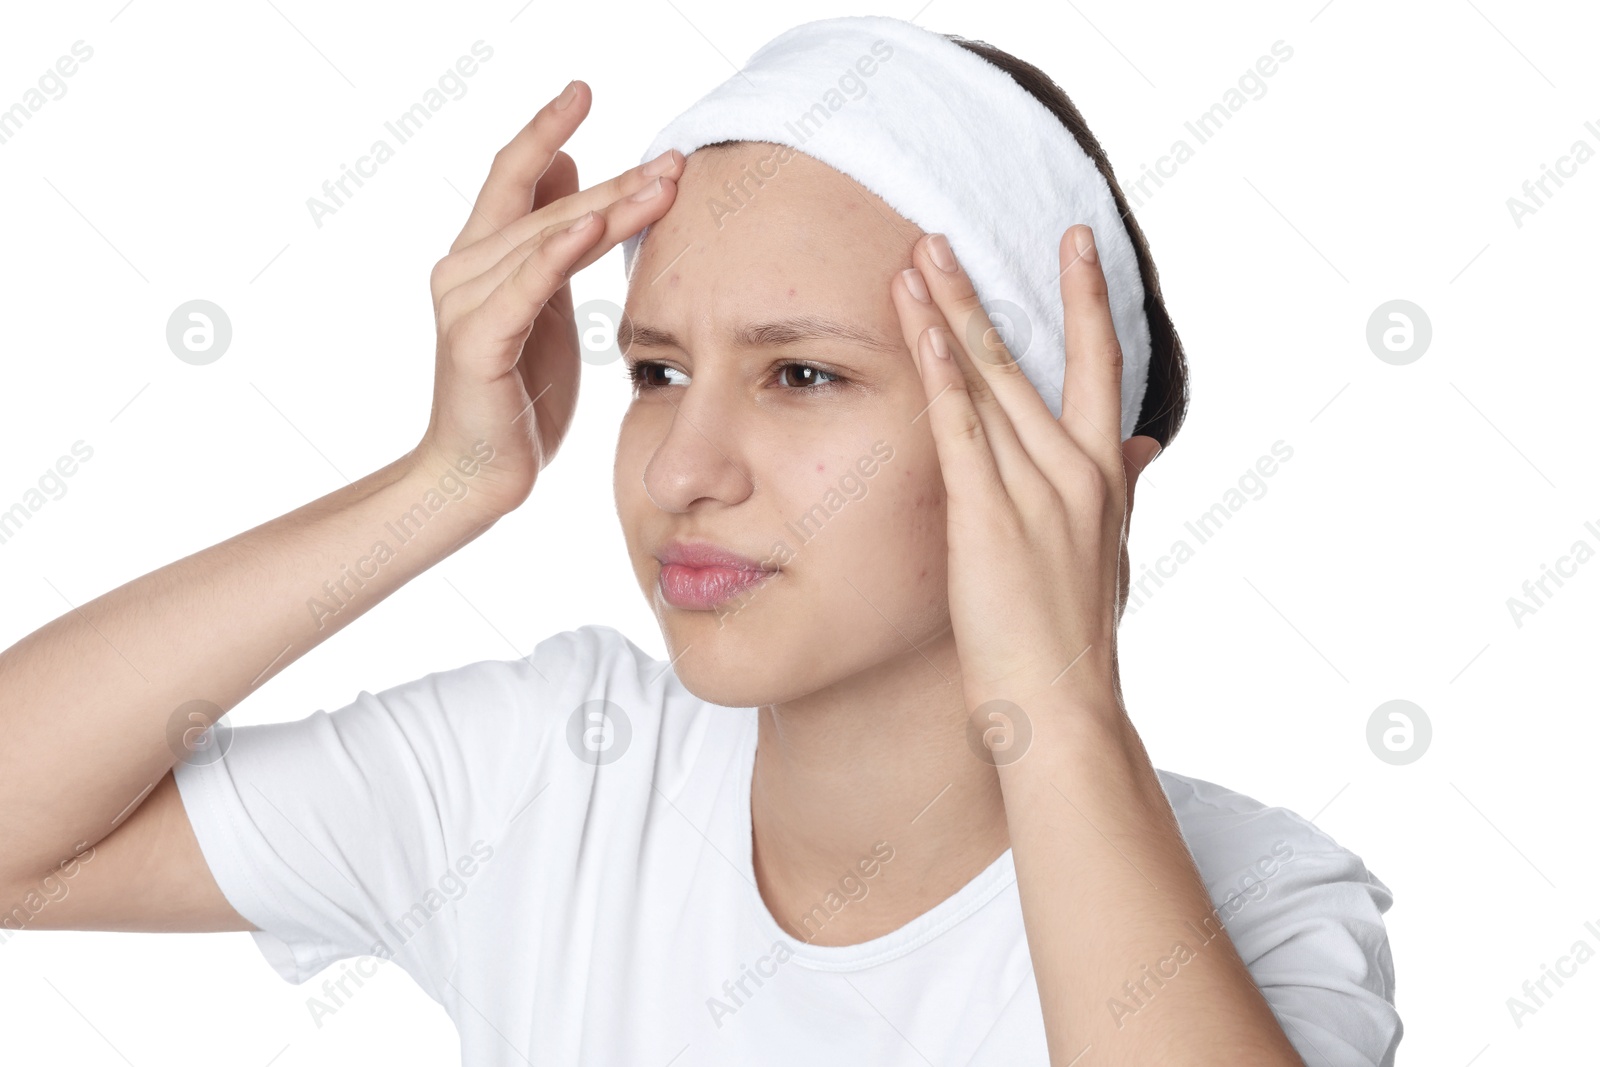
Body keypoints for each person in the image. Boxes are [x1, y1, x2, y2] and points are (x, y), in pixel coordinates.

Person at [0, 16, 1400, 1066]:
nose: (678, 466)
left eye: (802, 375)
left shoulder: (1264, 908)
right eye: (659, 369)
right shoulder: (551, 773)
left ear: (1062, 463)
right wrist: (443, 483)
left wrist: (1057, 698)